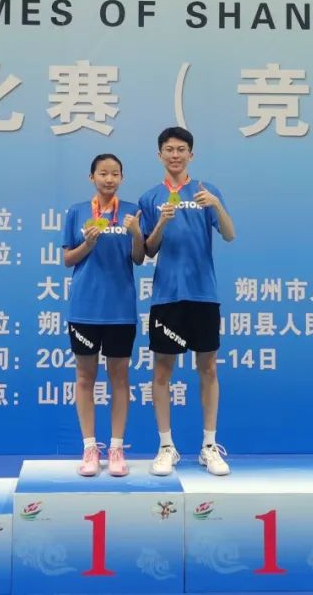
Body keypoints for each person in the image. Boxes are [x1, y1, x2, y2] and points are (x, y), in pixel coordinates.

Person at [138, 127, 235, 476]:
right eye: (169, 149)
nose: (175, 155)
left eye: (181, 149)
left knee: (208, 369)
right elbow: (148, 250)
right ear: (160, 155)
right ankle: (166, 447)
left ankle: (209, 446)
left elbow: (229, 234)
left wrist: (217, 206)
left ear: (191, 155)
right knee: (162, 372)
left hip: (203, 293)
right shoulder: (150, 198)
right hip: (166, 296)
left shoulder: (207, 192)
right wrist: (161, 223)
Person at [63, 153, 145, 476]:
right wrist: (88, 244)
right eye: (102, 173)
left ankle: (116, 448)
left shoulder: (132, 212)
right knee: (85, 378)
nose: (109, 179)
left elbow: (138, 258)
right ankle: (89, 448)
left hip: (120, 310)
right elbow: (68, 259)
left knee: (119, 378)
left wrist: (136, 233)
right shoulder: (77, 212)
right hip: (84, 309)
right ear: (92, 177)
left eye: (114, 174)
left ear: (121, 178)